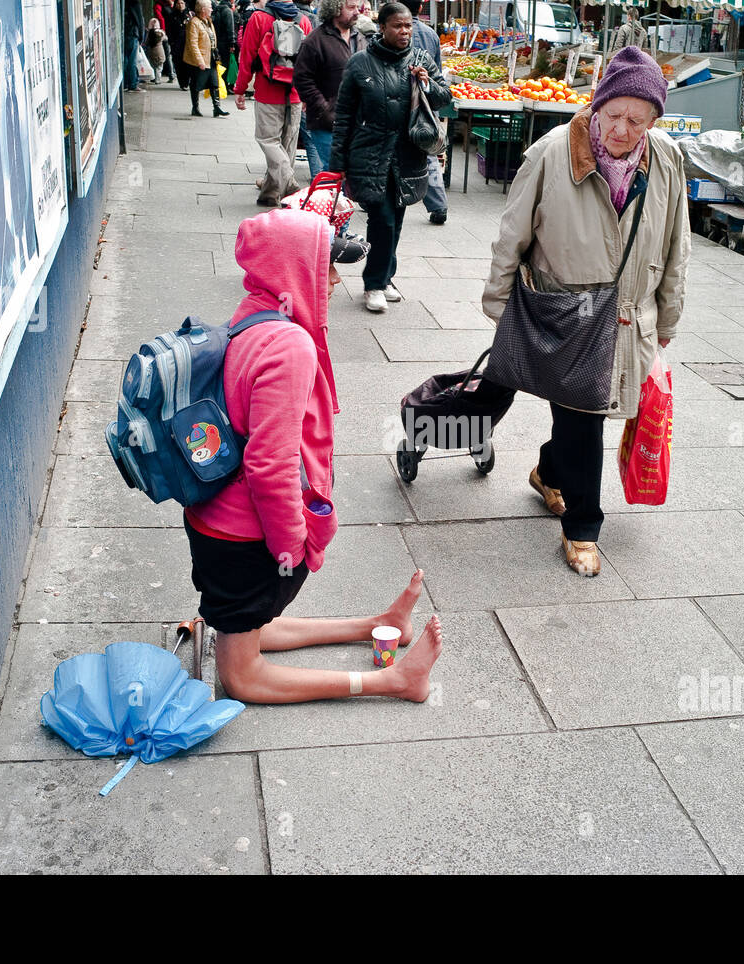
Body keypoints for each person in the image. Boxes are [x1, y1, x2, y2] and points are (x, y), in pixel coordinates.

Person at [184, 207, 444, 703]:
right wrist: (291, 545)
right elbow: (270, 464)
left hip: (213, 521)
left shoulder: (251, 317)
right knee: (241, 675)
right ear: (291, 269)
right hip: (243, 539)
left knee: (248, 624)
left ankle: (378, 625)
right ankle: (391, 680)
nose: (332, 282)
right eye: (324, 266)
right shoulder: (290, 346)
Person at [483, 46, 689, 577]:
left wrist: (666, 319)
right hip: (565, 315)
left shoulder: (665, 158)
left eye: (637, 120)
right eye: (613, 115)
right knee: (585, 421)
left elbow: (675, 244)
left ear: (653, 120)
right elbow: (513, 235)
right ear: (597, 106)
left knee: (581, 418)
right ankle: (583, 527)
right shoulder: (553, 152)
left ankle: (549, 473)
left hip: (626, 317)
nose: (622, 129)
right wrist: (500, 304)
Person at [329, 2, 450, 311]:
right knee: (381, 219)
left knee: (395, 219)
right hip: (370, 155)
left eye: (408, 25)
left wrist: (426, 82)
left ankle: (385, 278)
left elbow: (445, 97)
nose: (405, 31)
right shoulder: (359, 64)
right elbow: (343, 117)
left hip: (407, 156)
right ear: (381, 27)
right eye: (398, 25)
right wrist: (337, 166)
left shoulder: (421, 59)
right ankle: (373, 285)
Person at [235, 0, 316, 205]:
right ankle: (270, 195)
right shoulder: (303, 20)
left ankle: (288, 183)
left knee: (268, 140)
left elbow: (247, 55)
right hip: (295, 93)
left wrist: (240, 88)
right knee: (287, 145)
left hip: (267, 91)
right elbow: (309, 62)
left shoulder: (259, 18)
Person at [293, 0, 364, 179]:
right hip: (326, 122)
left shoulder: (360, 37)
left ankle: (336, 204)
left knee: (350, 172)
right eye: (351, 7)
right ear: (335, 8)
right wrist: (324, 108)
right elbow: (302, 79)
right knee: (334, 171)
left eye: (358, 7)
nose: (356, 12)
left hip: (356, 120)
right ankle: (327, 204)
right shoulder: (315, 40)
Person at [400, 0, 448, 225]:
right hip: (425, 102)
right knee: (428, 151)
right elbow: (438, 72)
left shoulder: (393, 30)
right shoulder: (431, 34)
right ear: (420, 8)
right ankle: (438, 206)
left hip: (403, 100)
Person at [185, 0, 225, 117]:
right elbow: (192, 44)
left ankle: (217, 108)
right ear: (203, 9)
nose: (212, 9)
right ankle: (195, 108)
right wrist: (199, 61)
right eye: (210, 7)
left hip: (210, 58)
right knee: (196, 84)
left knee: (214, 83)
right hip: (200, 60)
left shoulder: (208, 21)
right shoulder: (194, 22)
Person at [212, 0, 236, 112]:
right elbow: (230, 28)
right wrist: (232, 43)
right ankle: (224, 86)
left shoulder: (216, 9)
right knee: (225, 65)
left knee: (218, 65)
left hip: (217, 42)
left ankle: (218, 86)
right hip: (225, 43)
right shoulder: (227, 11)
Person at [169, 0, 192, 89]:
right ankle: (182, 83)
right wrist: (171, 42)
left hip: (187, 43)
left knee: (187, 63)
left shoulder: (189, 14)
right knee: (178, 63)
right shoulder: (172, 15)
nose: (180, 5)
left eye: (182, 3)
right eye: (178, 3)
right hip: (176, 43)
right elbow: (169, 29)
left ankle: (187, 82)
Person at [125, 0, 147, 92]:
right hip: (132, 33)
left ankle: (126, 83)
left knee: (125, 59)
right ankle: (133, 84)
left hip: (124, 34)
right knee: (132, 60)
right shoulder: (135, 3)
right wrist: (142, 37)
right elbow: (139, 20)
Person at [154, 3, 177, 82]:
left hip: (162, 33)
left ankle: (160, 76)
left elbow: (161, 19)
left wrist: (163, 31)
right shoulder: (172, 6)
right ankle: (172, 74)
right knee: (168, 54)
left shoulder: (158, 6)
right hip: (170, 33)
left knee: (160, 54)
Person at [146, 17, 168, 83]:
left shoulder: (149, 34)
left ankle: (153, 78)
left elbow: (146, 42)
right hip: (159, 52)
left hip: (151, 52)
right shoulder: (160, 34)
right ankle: (157, 80)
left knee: (153, 66)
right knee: (159, 67)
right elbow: (166, 38)